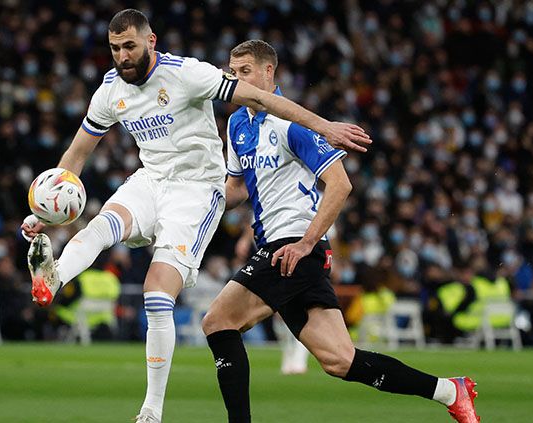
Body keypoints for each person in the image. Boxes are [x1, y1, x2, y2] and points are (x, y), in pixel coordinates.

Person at [20, 10, 372, 423]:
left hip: (197, 189)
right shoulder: (110, 91)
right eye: (115, 48)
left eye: (129, 46)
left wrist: (323, 125)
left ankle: (151, 410)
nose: (122, 56)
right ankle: (55, 276)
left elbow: (260, 98)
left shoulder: (187, 74)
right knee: (102, 223)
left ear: (150, 41)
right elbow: (78, 153)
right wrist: (48, 212)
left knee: (156, 292)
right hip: (151, 179)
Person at [200, 40, 480, 423]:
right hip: (282, 249)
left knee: (218, 321)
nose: (236, 79)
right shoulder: (236, 124)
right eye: (232, 72)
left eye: (245, 71)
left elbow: (340, 184)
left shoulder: (292, 123)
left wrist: (305, 243)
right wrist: (199, 194)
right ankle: (450, 391)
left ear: (269, 73)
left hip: (292, 247)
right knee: (339, 360)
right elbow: (236, 190)